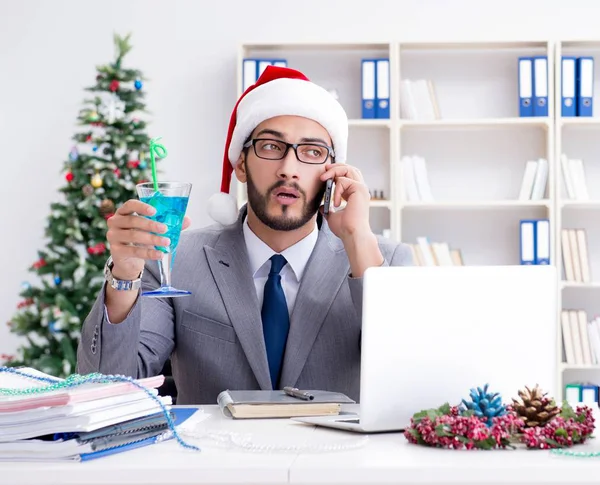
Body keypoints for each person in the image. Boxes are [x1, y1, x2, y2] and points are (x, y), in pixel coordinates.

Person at [76, 66, 412, 404]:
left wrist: (356, 239)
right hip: (213, 457)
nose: (289, 168)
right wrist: (123, 276)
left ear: (332, 172)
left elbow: (406, 381)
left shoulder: (384, 260)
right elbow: (109, 388)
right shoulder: (175, 258)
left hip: (333, 456)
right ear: (240, 164)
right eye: (270, 146)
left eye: (312, 152)